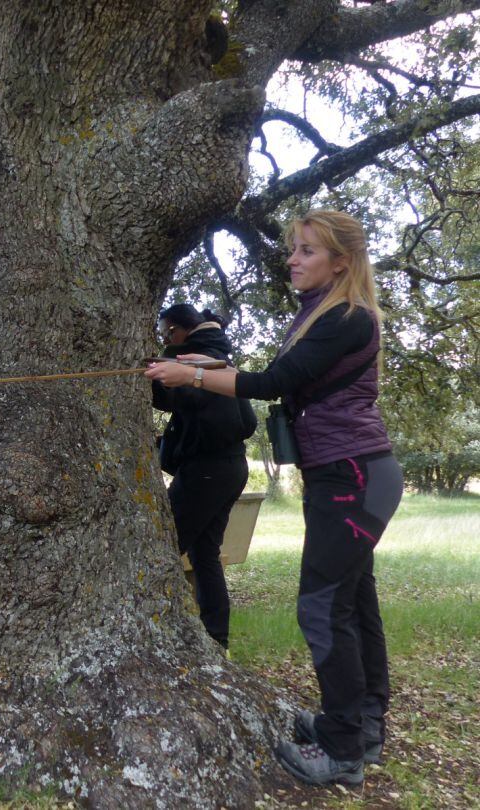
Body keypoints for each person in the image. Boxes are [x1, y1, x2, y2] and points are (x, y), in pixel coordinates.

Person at [145, 211, 403, 787]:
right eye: (293, 248)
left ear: (340, 261)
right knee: (355, 601)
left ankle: (343, 750)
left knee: (322, 606)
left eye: (307, 250)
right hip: (342, 475)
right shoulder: (320, 311)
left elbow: (269, 384)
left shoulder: (346, 317)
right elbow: (272, 373)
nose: (292, 258)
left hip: (353, 477)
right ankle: (361, 727)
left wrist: (190, 377)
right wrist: (203, 365)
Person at [151, 304, 255, 651]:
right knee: (204, 553)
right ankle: (215, 636)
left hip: (207, 470)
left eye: (168, 333)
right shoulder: (220, 356)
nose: (166, 339)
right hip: (233, 466)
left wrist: (156, 373)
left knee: (162, 547)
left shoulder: (197, 359)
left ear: (183, 330)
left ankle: (159, 629)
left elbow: (174, 399)